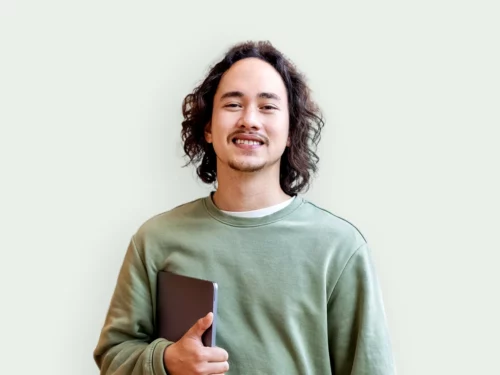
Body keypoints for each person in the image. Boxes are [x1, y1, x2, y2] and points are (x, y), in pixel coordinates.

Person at [93, 40, 395, 375]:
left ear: (292, 130)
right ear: (208, 128)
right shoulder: (154, 240)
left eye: (267, 107)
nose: (249, 120)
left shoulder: (340, 248)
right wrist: (165, 361)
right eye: (233, 104)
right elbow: (113, 355)